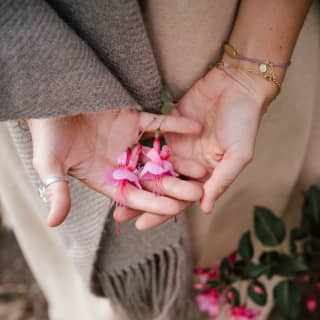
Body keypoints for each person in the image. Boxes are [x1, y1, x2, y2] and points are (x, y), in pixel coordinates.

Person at [1, 0, 319, 319]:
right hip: (32, 61)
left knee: (240, 214)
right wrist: (40, 92)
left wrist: (251, 73)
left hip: (238, 33)